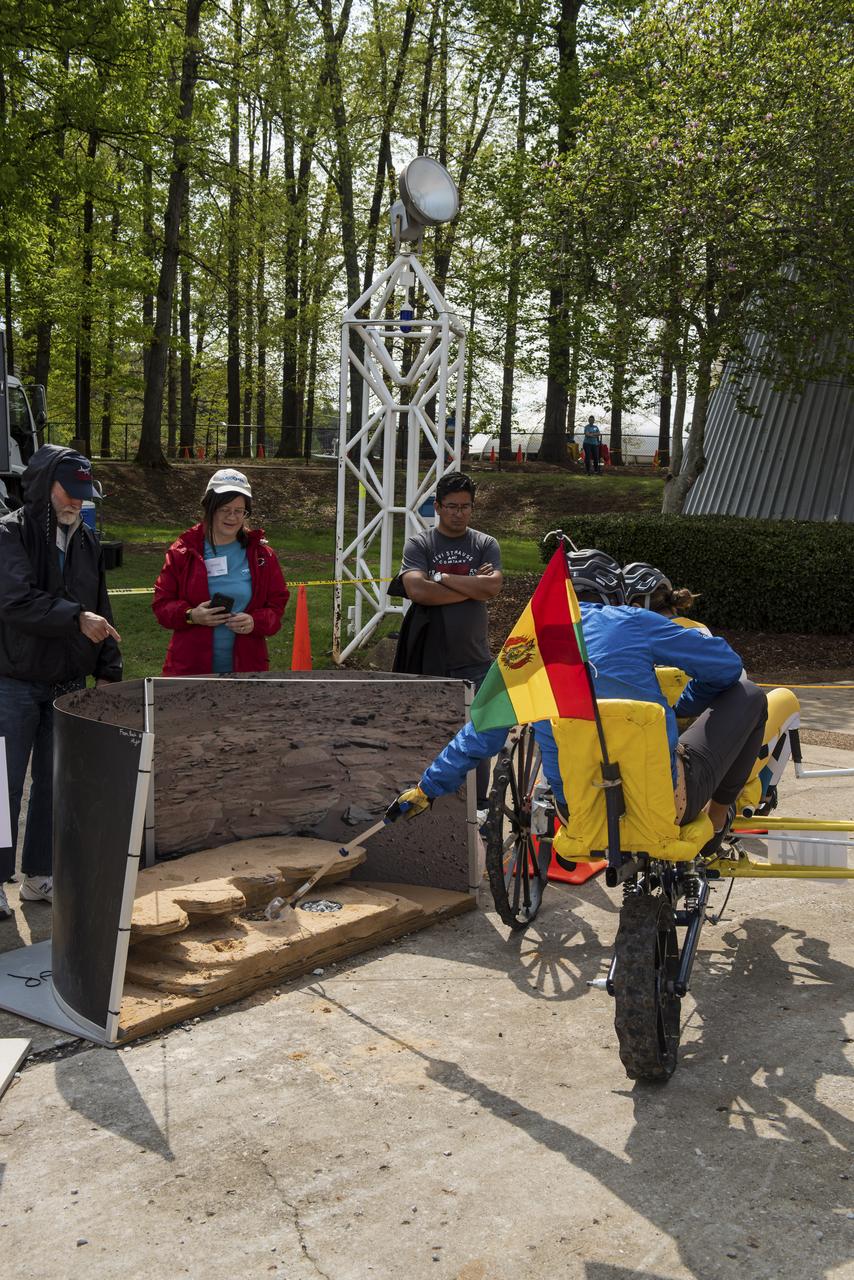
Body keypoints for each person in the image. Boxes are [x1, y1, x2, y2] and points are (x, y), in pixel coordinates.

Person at [387, 549, 767, 856]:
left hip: (578, 814)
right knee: (749, 695)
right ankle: (717, 822)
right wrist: (685, 705)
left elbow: (480, 737)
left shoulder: (528, 644)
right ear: (613, 595)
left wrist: (426, 789)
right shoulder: (631, 619)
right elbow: (727, 668)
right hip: (664, 803)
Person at [0, 445, 122, 918]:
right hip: (13, 682)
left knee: (57, 784)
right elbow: (14, 601)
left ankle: (39, 876)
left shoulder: (87, 540)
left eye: (83, 494)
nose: (76, 502)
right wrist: (75, 618)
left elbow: (101, 606)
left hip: (67, 685)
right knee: (3, 785)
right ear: (44, 484)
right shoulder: (11, 534)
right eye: (69, 493)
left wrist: (108, 667)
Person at [392, 472, 503, 808]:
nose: (459, 513)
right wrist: (470, 584)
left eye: (465, 507)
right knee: (429, 734)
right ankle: (430, 804)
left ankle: (477, 806)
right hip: (430, 657)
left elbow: (493, 587)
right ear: (437, 507)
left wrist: (440, 578)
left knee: (477, 740)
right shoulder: (420, 543)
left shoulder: (485, 544)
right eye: (451, 506)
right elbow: (417, 590)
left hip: (475, 658)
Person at [153, 468, 288, 676]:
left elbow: (276, 608)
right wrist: (191, 615)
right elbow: (162, 606)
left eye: (239, 511)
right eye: (225, 509)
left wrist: (255, 622)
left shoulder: (262, 556)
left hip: (247, 670)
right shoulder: (182, 551)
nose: (232, 517)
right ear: (210, 508)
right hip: (190, 669)